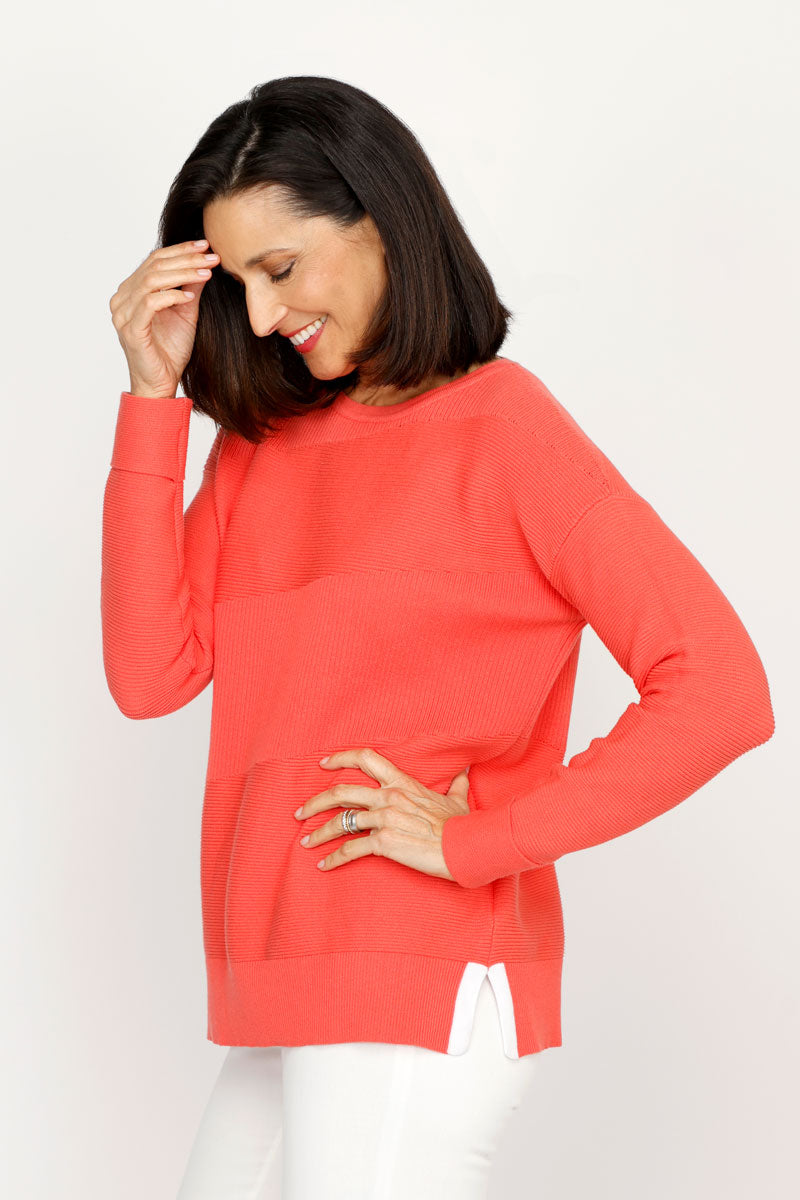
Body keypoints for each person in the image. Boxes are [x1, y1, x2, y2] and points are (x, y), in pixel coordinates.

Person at [102, 76, 775, 1199]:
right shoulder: (259, 448)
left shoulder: (501, 427)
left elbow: (720, 688)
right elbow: (147, 675)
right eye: (239, 282)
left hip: (420, 968)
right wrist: (151, 401)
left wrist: (482, 839)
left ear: (378, 219)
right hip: (280, 975)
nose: (260, 318)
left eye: (282, 269)